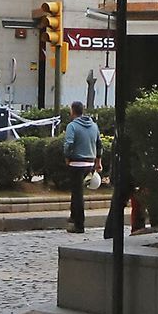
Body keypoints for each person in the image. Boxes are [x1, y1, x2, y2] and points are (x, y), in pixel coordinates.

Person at [62, 98, 100, 232]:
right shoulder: (94, 126)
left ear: (73, 111)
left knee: (77, 194)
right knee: (77, 192)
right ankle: (73, 218)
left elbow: (69, 144)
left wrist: (67, 156)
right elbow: (99, 144)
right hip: (90, 162)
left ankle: (79, 224)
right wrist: (98, 162)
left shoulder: (72, 126)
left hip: (76, 162)